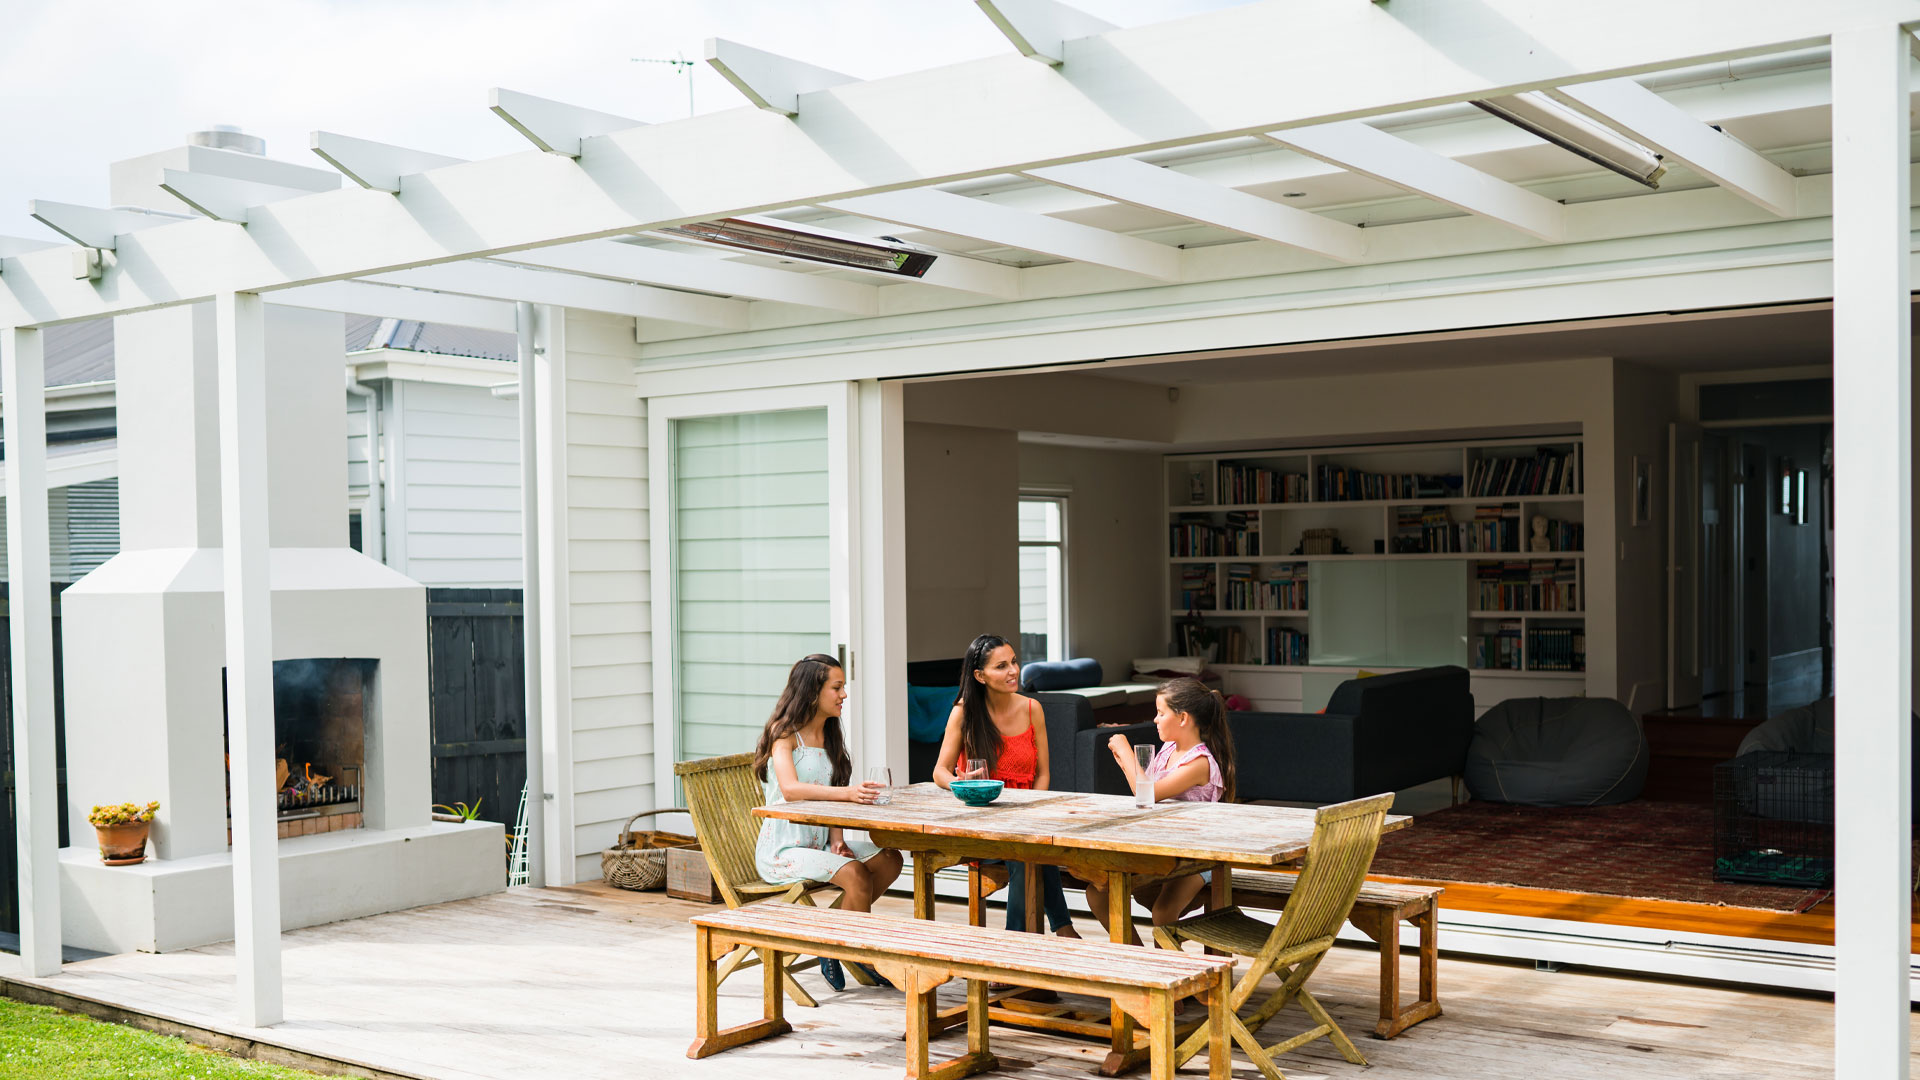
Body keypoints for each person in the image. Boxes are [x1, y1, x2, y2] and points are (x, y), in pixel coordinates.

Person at [753, 653, 904, 991]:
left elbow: (830, 791)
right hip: (784, 850)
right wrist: (850, 794)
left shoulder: (831, 735)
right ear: (812, 692)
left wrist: (837, 837)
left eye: (843, 687)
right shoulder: (785, 735)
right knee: (855, 874)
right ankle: (859, 953)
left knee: (890, 858)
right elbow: (791, 790)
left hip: (820, 843)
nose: (844, 695)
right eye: (837, 687)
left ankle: (831, 937)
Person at [931, 634, 1080, 939]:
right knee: (1029, 853)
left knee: (1028, 850)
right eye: (1001, 666)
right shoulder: (963, 712)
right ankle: (1056, 932)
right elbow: (940, 771)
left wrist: (1029, 813)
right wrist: (959, 784)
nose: (1013, 670)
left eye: (1013, 662)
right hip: (982, 825)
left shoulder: (1032, 709)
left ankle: (1029, 940)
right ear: (980, 675)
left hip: (1027, 820)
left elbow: (1042, 774)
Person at [1081, 677, 1237, 941]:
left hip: (1200, 858)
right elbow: (1142, 791)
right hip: (1165, 849)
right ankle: (1139, 962)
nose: (1154, 719)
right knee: (1097, 894)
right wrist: (1122, 757)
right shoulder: (1168, 750)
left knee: (1163, 913)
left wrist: (1125, 750)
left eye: (1160, 713)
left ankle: (1169, 974)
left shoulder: (1200, 762)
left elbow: (1147, 793)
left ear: (1183, 718)